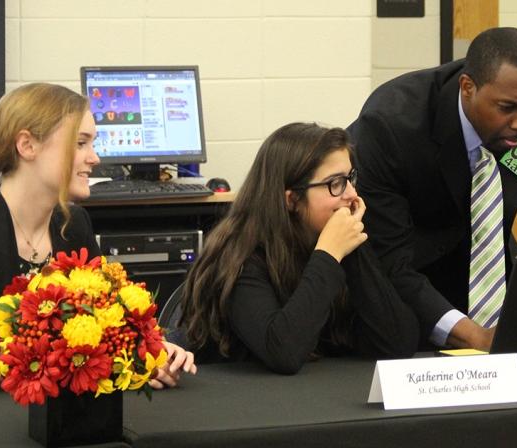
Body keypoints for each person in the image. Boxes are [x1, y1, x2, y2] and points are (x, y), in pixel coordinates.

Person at [0, 83, 196, 385]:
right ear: (27, 146)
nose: (95, 157)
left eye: (92, 143)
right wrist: (94, 362)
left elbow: (114, 321)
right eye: (80, 143)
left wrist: (150, 351)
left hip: (47, 404)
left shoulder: (73, 222)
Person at [348, 27, 517, 350]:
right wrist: (477, 337)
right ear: (468, 88)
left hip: (492, 283)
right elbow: (390, 261)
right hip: (410, 301)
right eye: (508, 108)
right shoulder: (391, 125)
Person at [177, 123, 419, 375]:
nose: (351, 193)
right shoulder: (240, 255)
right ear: (291, 199)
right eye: (335, 183)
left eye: (350, 178)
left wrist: (352, 248)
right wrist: (329, 254)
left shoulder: (337, 238)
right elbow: (283, 352)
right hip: (247, 403)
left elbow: (399, 344)